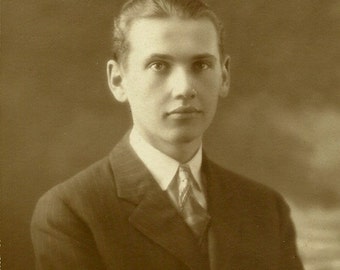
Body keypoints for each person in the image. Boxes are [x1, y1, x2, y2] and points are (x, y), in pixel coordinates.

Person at [31, 0, 304, 269]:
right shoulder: (71, 211)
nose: (184, 88)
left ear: (225, 76)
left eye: (201, 65)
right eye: (158, 66)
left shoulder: (266, 209)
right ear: (118, 80)